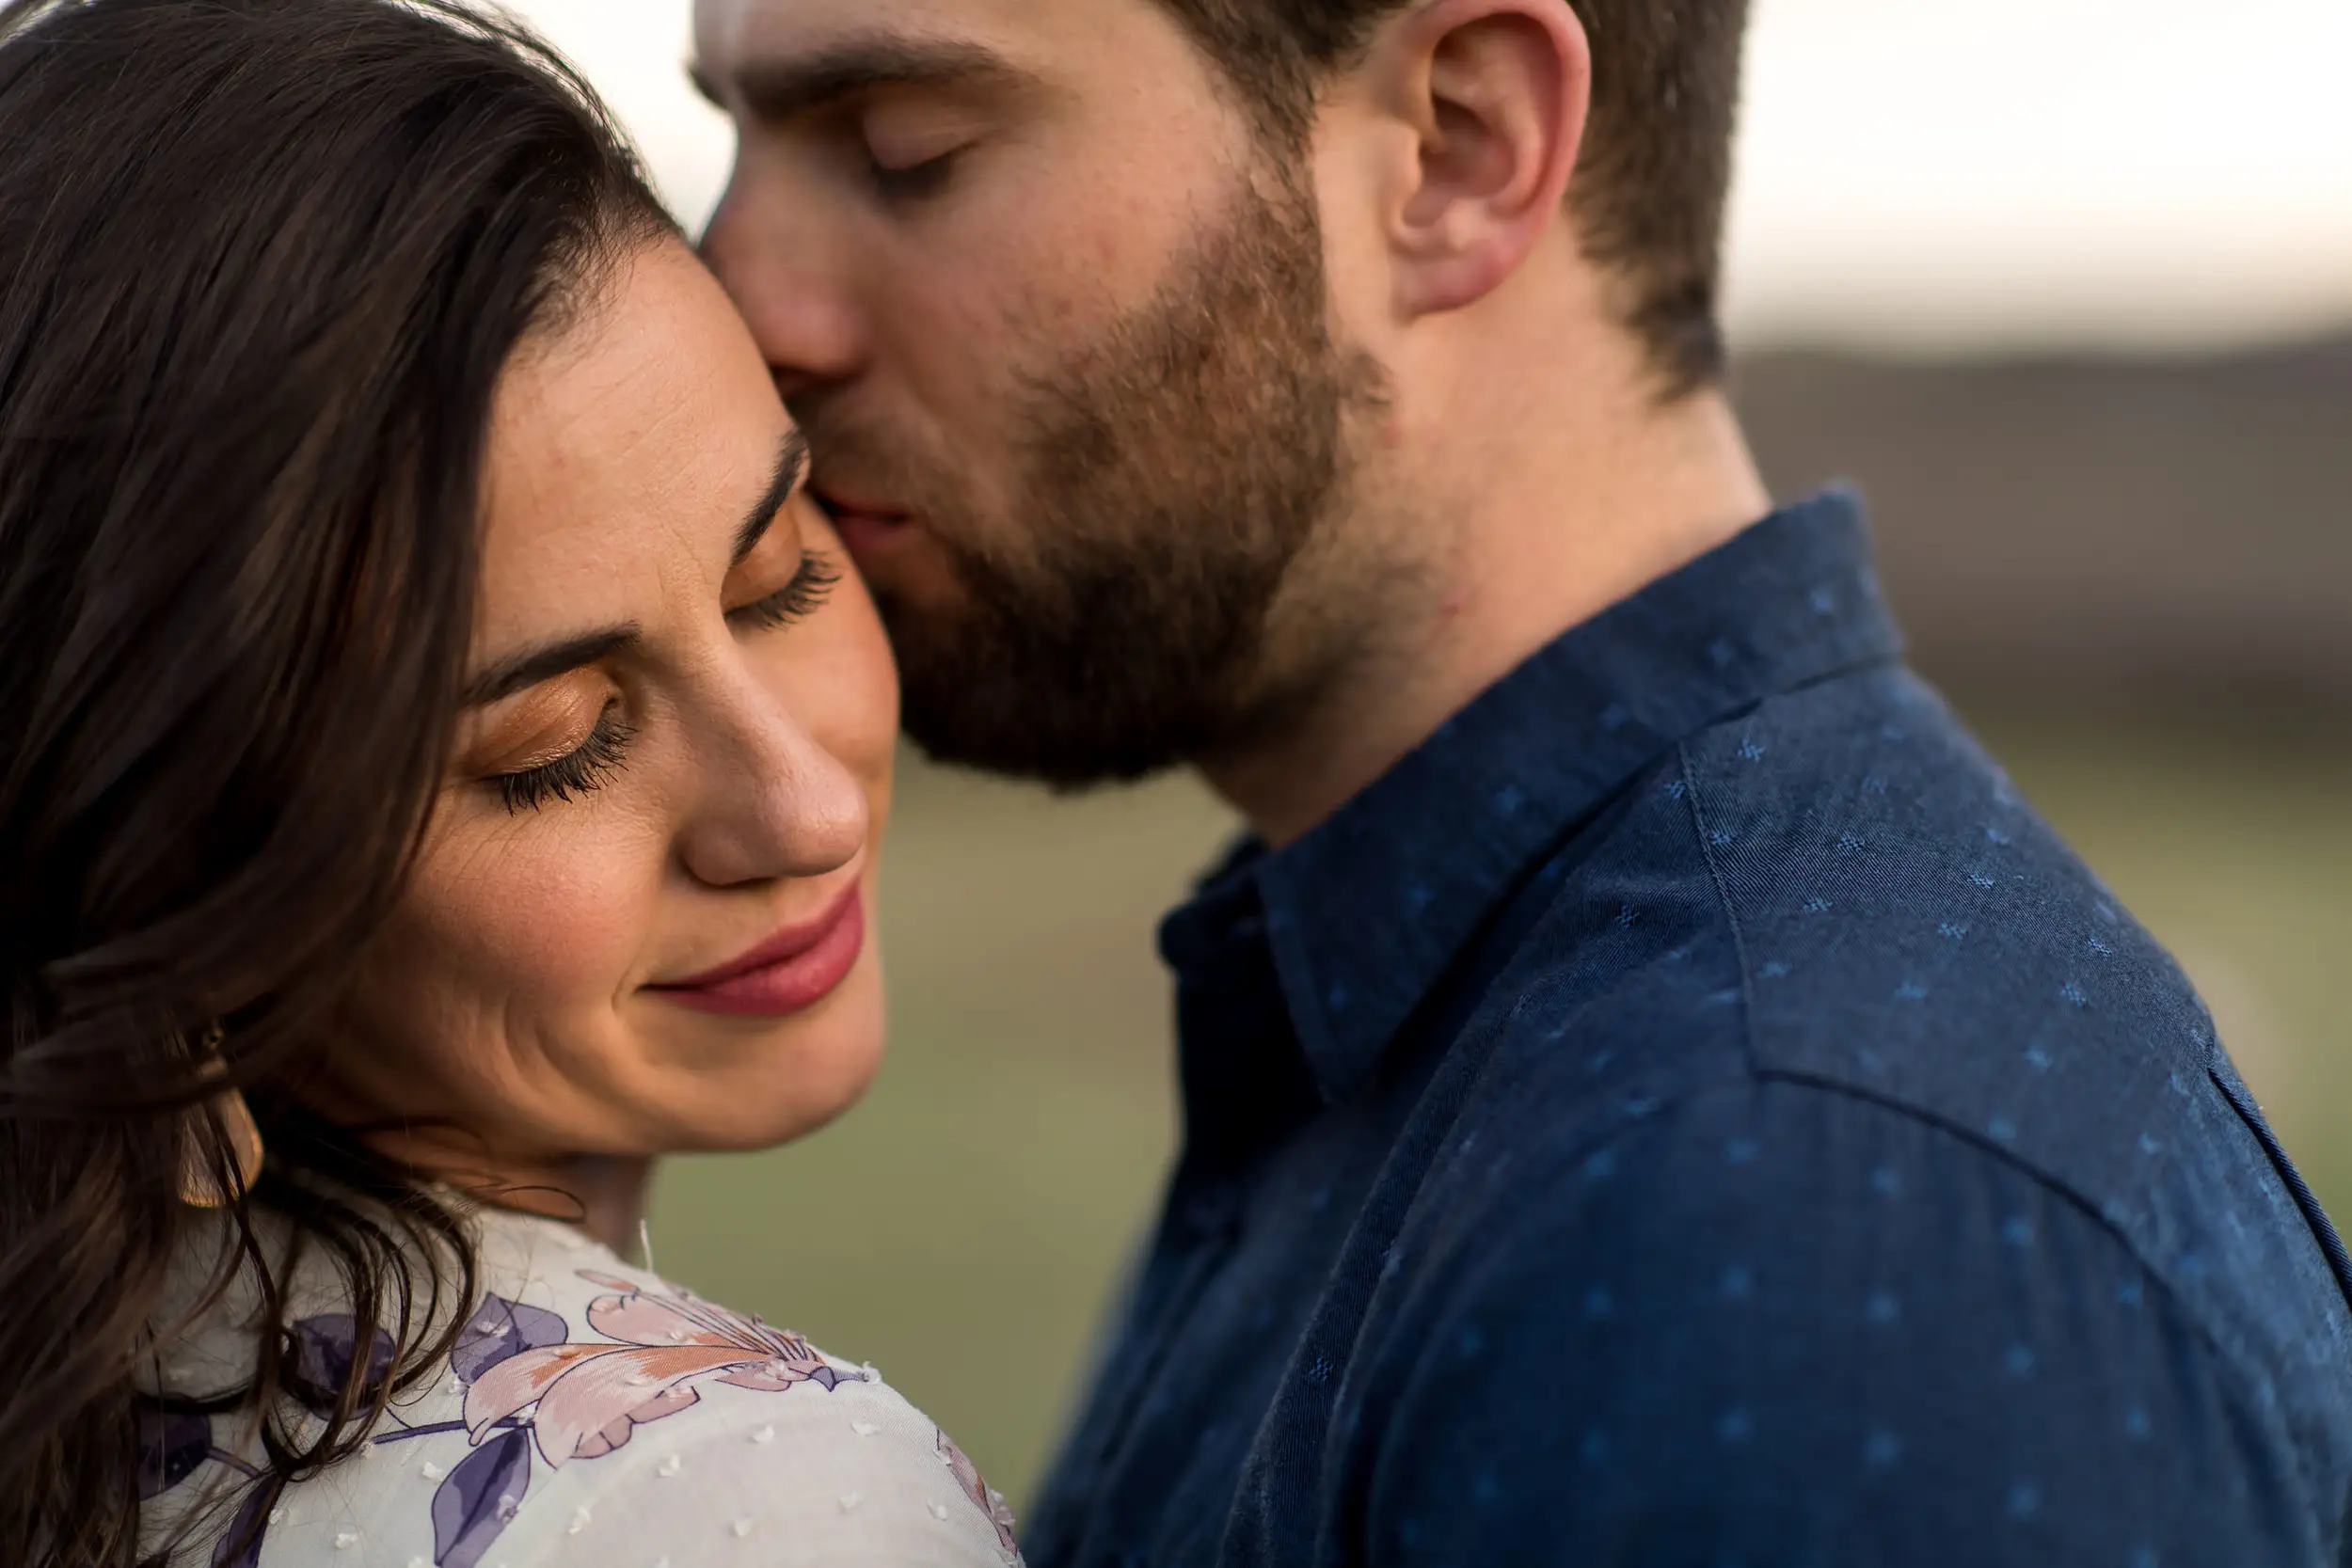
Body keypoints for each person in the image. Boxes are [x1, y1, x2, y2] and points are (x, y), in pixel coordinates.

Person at [691, 0, 2352, 1561]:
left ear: (1460, 145)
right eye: (736, 145)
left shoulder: (1788, 1227)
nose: (740, 305)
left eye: (906, 150)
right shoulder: (1479, 1018)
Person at [0, 2, 1021, 1563]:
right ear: (178, 883)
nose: (803, 809)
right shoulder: (743, 1493)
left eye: (775, 575)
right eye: (556, 744)